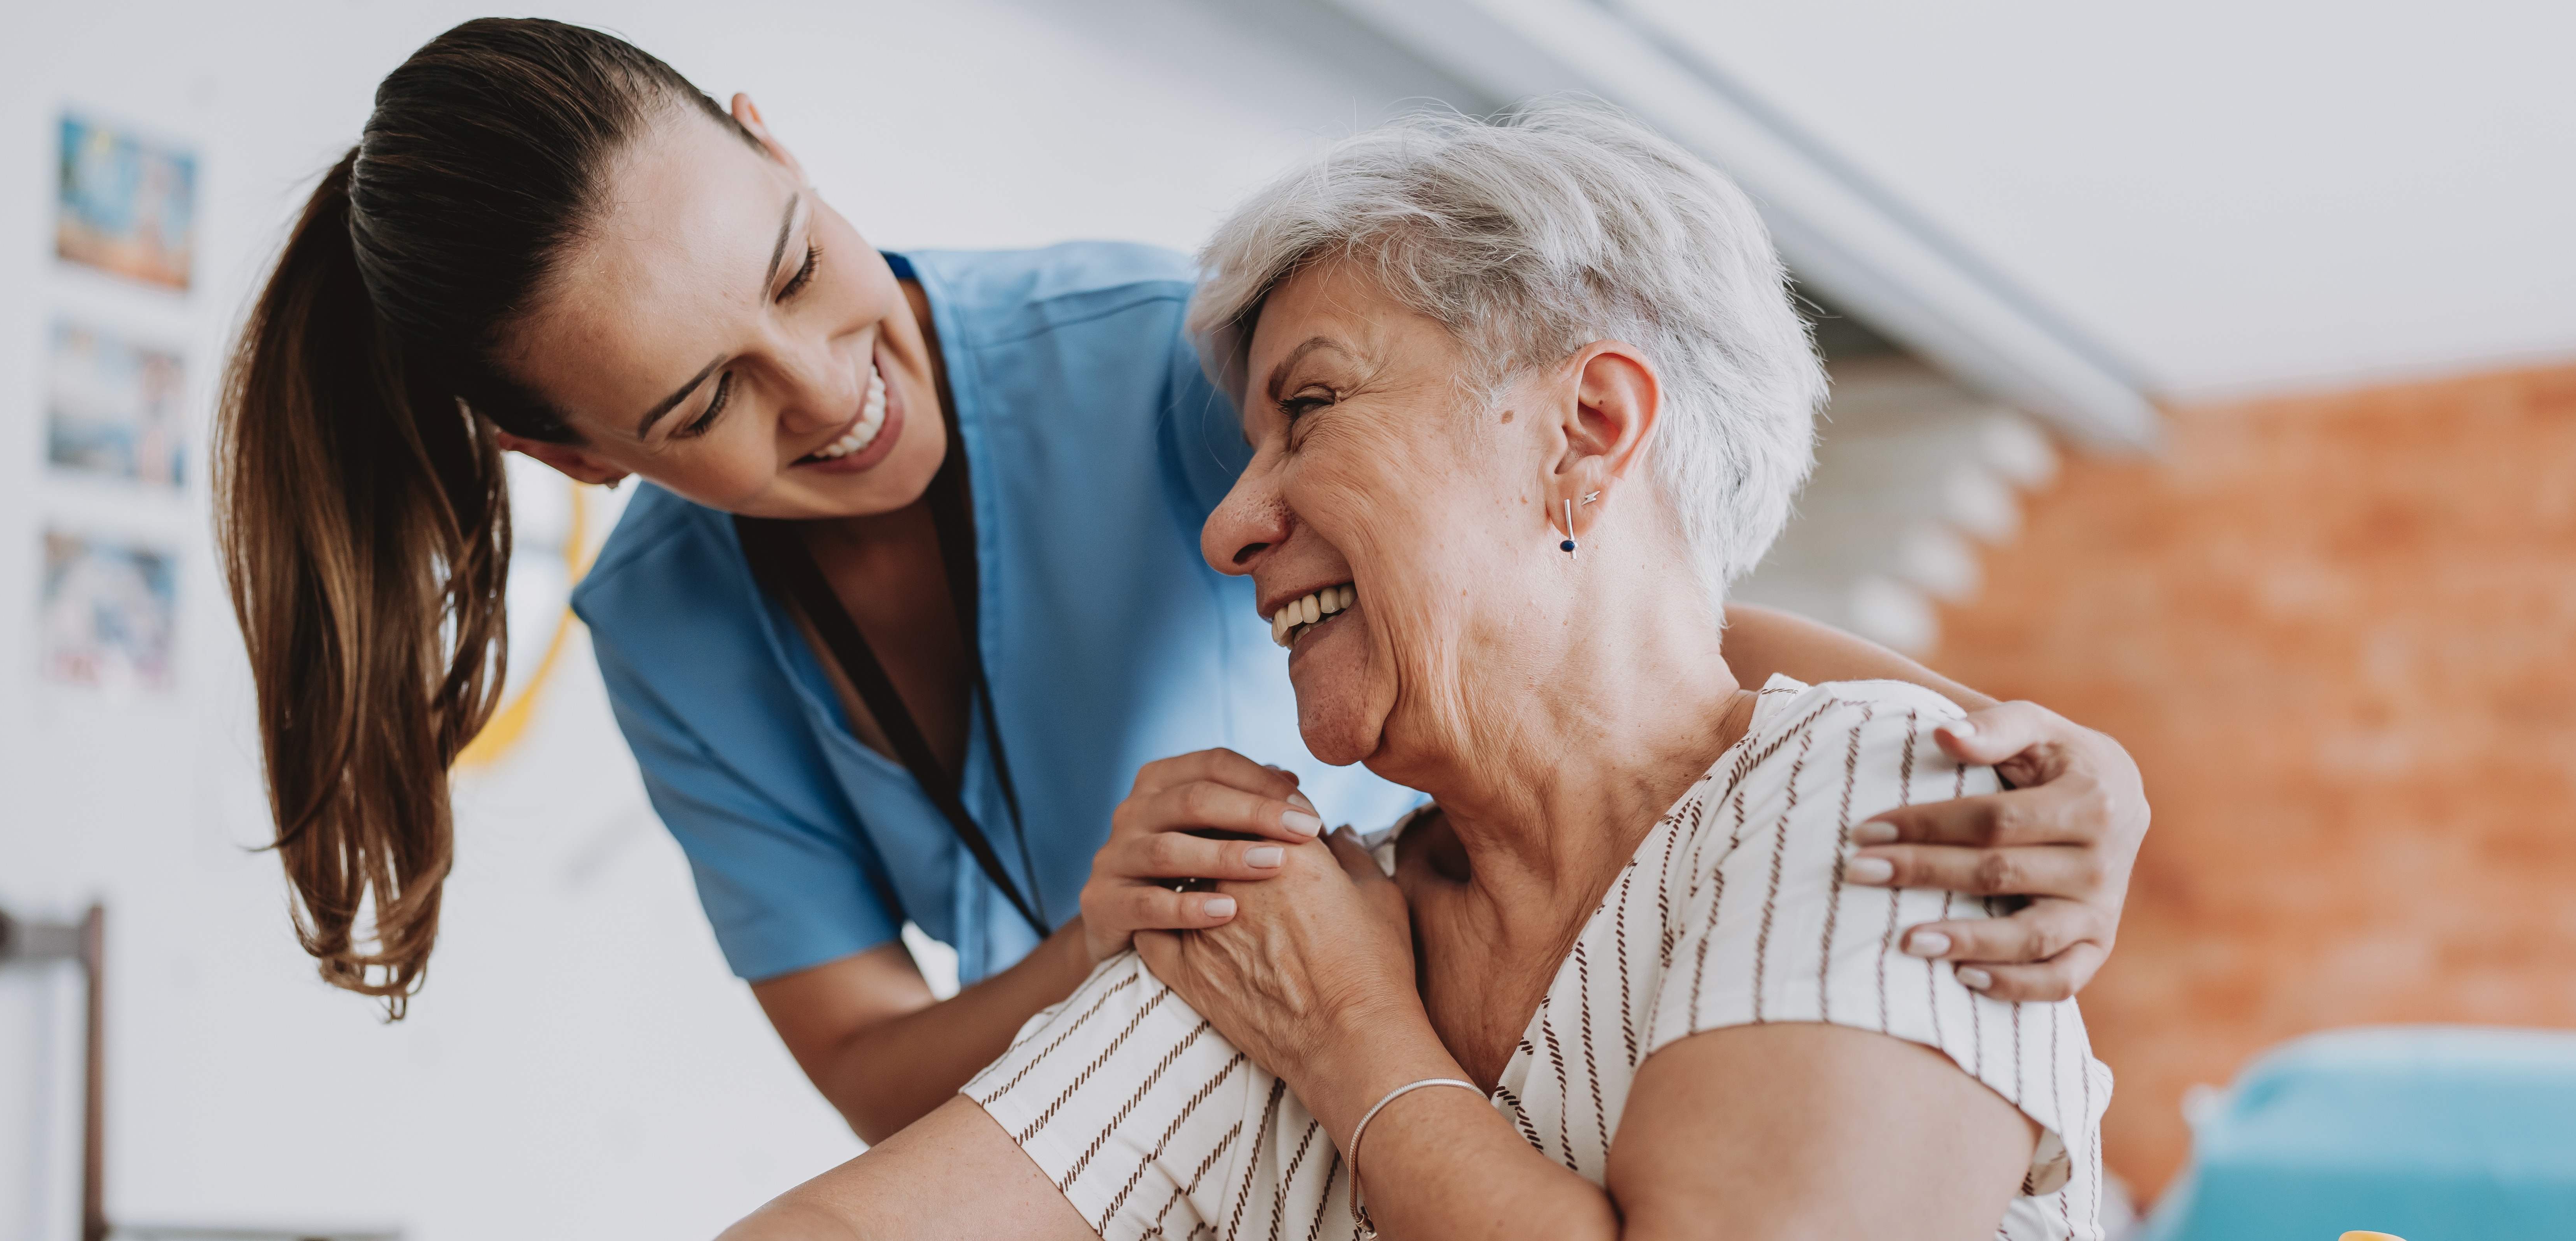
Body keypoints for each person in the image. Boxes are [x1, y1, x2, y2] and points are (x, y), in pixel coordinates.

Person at [212, 18, 2146, 1145]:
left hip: (1481, 1049)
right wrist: (1094, 946)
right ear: (577, 458)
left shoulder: (1159, 360)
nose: (830, 390)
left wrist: (2019, 747)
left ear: (773, 143)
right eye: (702, 400)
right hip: (1159, 1140)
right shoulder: (671, 630)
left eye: (797, 264)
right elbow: (876, 1066)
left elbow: (1619, 618)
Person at [727, 104, 2108, 1241]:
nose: (1227, 527)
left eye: (1310, 407)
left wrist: (1353, 1039)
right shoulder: (1286, 917)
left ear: (1587, 429)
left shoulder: (1887, 800)